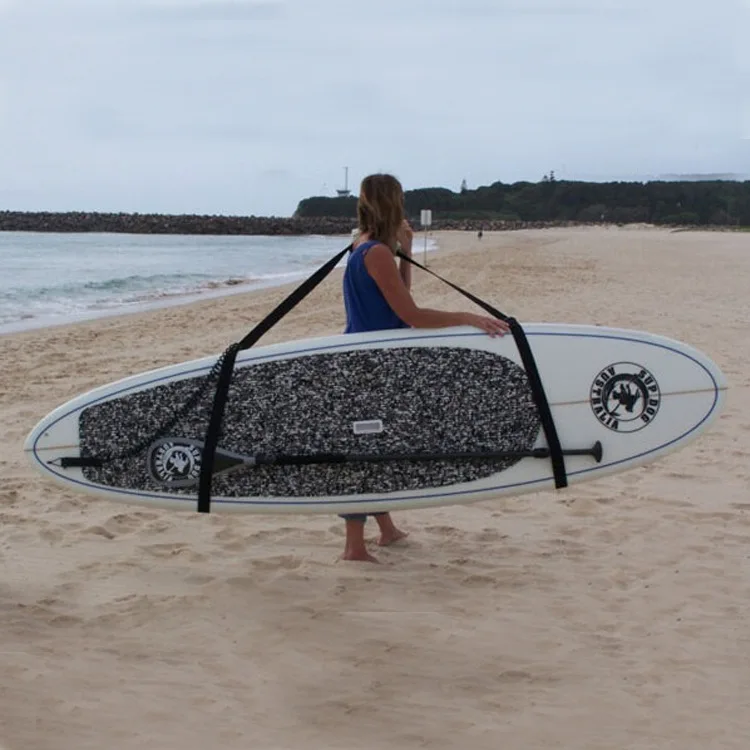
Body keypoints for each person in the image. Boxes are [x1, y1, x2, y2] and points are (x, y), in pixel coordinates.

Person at [339, 173, 510, 562]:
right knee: (367, 448)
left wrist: (408, 251)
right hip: (371, 363)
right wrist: (468, 316)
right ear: (393, 204)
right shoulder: (376, 253)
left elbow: (399, 299)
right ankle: (353, 546)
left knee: (376, 441)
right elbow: (412, 315)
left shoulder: (364, 247)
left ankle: (385, 530)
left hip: (369, 356)